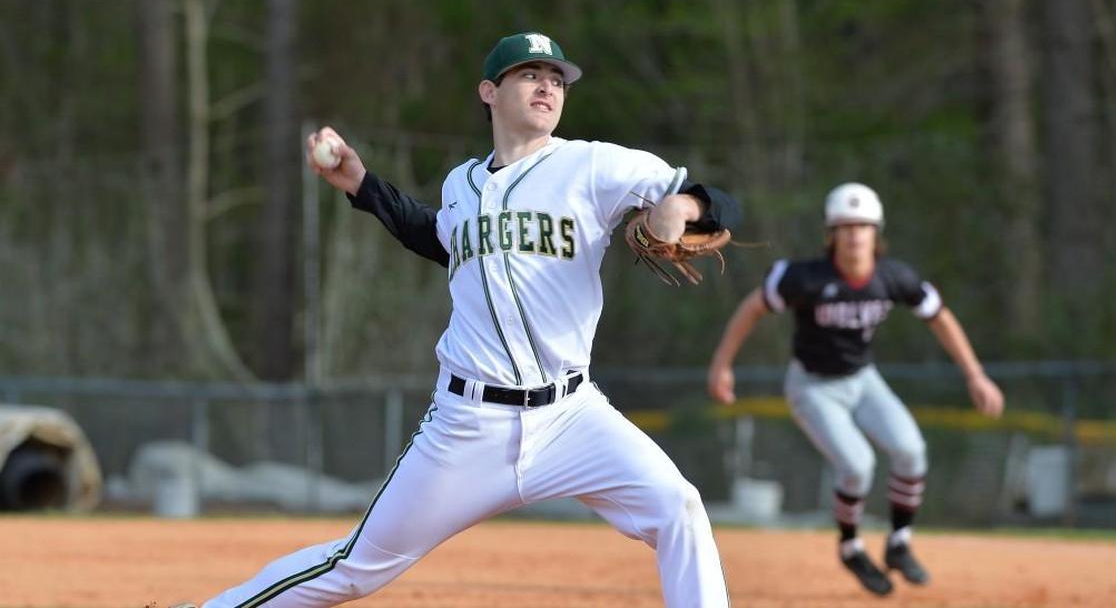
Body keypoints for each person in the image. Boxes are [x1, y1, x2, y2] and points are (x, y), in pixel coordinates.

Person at [191, 32, 739, 608]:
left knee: (679, 508)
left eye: (556, 80)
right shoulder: (462, 184)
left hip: (572, 417)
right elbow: (438, 237)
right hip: (469, 424)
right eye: (530, 75)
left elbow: (723, 200)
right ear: (489, 92)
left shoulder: (594, 165)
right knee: (354, 567)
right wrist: (360, 182)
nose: (548, 86)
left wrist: (685, 205)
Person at [706, 182, 1004, 597]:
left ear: (876, 233)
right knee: (858, 465)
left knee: (911, 450)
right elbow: (753, 307)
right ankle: (850, 546)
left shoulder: (892, 277)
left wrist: (975, 374)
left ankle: (899, 543)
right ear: (830, 234)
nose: (854, 235)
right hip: (812, 386)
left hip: (863, 380)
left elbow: (940, 317)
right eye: (844, 227)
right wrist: (722, 365)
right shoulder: (804, 277)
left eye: (862, 226)